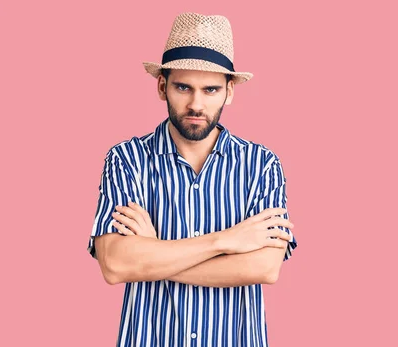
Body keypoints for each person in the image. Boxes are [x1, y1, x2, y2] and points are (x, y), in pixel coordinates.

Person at [87, 12, 297, 347]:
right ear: (162, 87)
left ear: (229, 92)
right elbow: (114, 265)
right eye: (183, 87)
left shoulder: (262, 165)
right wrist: (226, 242)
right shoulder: (126, 160)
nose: (196, 104)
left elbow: (265, 268)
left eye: (210, 89)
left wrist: (150, 256)